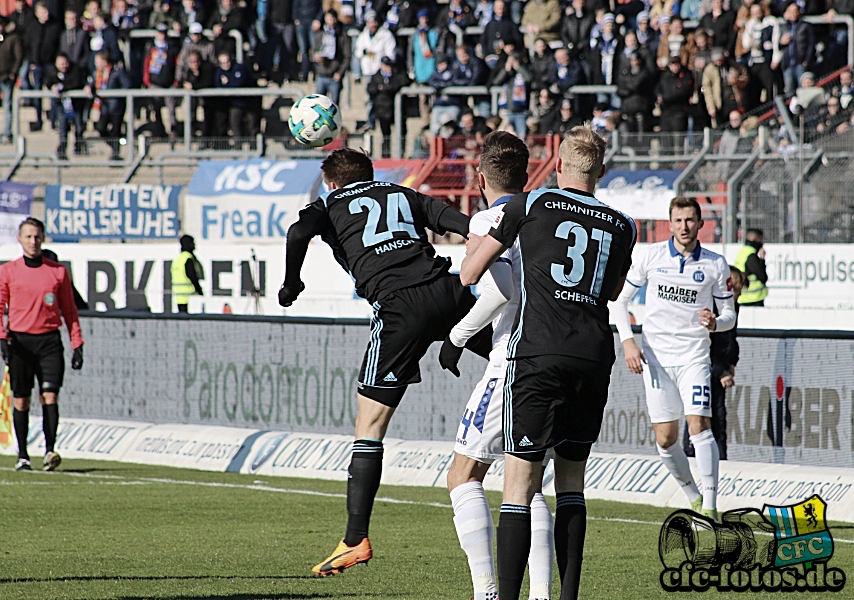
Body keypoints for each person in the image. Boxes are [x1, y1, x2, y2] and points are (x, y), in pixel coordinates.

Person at [278, 148, 490, 577]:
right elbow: (462, 224)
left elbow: (298, 233)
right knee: (515, 357)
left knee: (369, 425)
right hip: (447, 292)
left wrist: (291, 282)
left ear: (334, 182)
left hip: (399, 309)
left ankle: (355, 539)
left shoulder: (330, 203)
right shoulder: (401, 193)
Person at [459, 124, 636, 600]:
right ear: (600, 171)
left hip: (537, 353)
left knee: (520, 482)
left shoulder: (529, 204)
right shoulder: (624, 224)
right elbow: (615, 290)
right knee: (572, 482)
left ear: (557, 166)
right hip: (594, 357)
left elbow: (472, 271)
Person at [439, 132, 554, 600]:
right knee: (527, 482)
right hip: (551, 357)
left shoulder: (489, 219)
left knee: (463, 474)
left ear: (480, 177)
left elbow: (502, 286)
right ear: (527, 176)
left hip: (510, 361)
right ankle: (543, 593)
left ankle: (486, 591)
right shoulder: (545, 213)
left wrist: (457, 335)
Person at [611, 196, 736, 522]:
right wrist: (628, 342)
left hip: (694, 356)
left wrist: (715, 323)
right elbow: (618, 303)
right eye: (678, 220)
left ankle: (710, 506)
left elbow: (730, 316)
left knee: (700, 426)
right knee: (665, 439)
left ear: (700, 224)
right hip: (656, 359)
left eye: (690, 220)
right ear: (670, 223)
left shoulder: (715, 264)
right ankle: (693, 496)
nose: (684, 226)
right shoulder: (650, 256)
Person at [0, 218, 84, 472]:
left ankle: (49, 450)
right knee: (22, 400)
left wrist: (77, 343)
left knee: (50, 394)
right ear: (19, 239)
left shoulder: (57, 272)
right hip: (21, 342)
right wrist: (2, 338)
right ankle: (23, 455)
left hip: (49, 341)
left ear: (43, 238)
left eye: (37, 237)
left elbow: (69, 310)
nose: (33, 241)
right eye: (28, 237)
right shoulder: (8, 271)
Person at [684, 265, 745, 461]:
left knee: (718, 420)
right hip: (706, 370)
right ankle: (693, 458)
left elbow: (731, 341)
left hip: (719, 370)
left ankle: (719, 462)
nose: (737, 295)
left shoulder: (732, 309)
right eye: (735, 290)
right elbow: (708, 346)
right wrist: (721, 371)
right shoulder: (711, 311)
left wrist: (731, 364)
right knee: (701, 416)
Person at [86, 51, 130, 161]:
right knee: (101, 128)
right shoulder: (97, 73)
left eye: (98, 61)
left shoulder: (117, 71)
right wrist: (88, 88)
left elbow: (127, 85)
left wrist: (115, 94)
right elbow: (90, 84)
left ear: (105, 62)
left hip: (116, 107)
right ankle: (117, 144)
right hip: (104, 107)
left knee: (116, 130)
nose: (96, 64)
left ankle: (115, 153)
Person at [45, 53, 87, 160]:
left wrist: (62, 87)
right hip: (61, 105)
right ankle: (62, 151)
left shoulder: (76, 70)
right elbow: (47, 82)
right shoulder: (52, 72)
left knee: (79, 127)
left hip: (76, 105)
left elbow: (76, 83)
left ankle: (78, 147)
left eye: (65, 63)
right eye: (61, 63)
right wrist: (53, 87)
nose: (64, 65)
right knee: (63, 128)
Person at [367, 56, 409, 158]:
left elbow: (405, 81)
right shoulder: (376, 76)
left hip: (396, 109)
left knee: (402, 132)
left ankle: (401, 153)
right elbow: (370, 89)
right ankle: (386, 155)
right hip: (382, 110)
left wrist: (387, 87)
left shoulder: (397, 74)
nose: (388, 67)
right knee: (385, 134)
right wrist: (379, 88)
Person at [313, 9, 350, 105]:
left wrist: (340, 73)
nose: (331, 22)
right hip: (321, 74)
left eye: (332, 19)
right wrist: (315, 57)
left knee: (334, 107)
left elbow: (347, 56)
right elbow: (313, 50)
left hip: (334, 75)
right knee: (319, 105)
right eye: (328, 19)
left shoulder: (342, 36)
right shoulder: (320, 35)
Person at [0, 16, 23, 144]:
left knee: (8, 105)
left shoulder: (12, 39)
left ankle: (7, 133)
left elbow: (18, 56)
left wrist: (13, 72)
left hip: (7, 77)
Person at [734, 228, 768, 306]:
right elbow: (762, 277)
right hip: (754, 298)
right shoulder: (751, 256)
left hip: (742, 297)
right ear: (755, 239)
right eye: (760, 239)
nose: (761, 243)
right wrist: (762, 260)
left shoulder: (742, 252)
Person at [172, 234, 204, 313]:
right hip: (190, 297)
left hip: (179, 297)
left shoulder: (177, 260)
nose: (194, 245)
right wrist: (200, 291)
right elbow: (192, 276)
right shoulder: (188, 258)